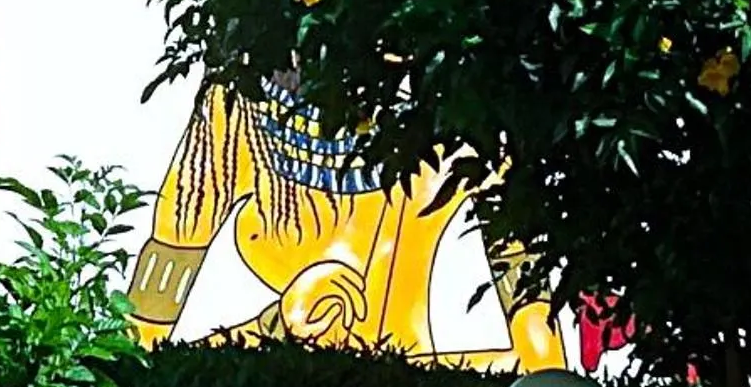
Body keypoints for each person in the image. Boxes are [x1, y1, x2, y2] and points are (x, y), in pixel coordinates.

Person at [124, 74, 565, 369]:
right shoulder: (235, 107)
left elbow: (544, 375)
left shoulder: (470, 121)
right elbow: (142, 357)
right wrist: (276, 329)